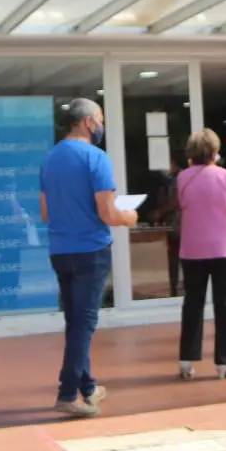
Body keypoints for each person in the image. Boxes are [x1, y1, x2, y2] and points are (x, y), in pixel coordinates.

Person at [40, 98, 138, 417]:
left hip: (60, 249)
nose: (101, 126)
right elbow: (108, 213)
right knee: (84, 323)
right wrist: (129, 217)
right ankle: (68, 393)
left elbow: (45, 212)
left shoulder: (50, 158)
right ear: (87, 122)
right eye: (100, 120)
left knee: (75, 321)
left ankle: (88, 387)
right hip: (91, 250)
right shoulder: (95, 157)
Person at [175, 129, 226, 380]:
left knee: (192, 303)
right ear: (215, 152)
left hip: (192, 248)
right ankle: (224, 362)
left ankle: (186, 359)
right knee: (223, 305)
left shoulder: (183, 178)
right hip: (224, 249)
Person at [153, 153, 183, 297]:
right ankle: (173, 288)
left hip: (180, 225)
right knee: (173, 259)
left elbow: (176, 202)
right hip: (172, 225)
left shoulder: (181, 179)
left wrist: (159, 212)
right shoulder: (167, 183)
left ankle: (180, 287)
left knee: (181, 258)